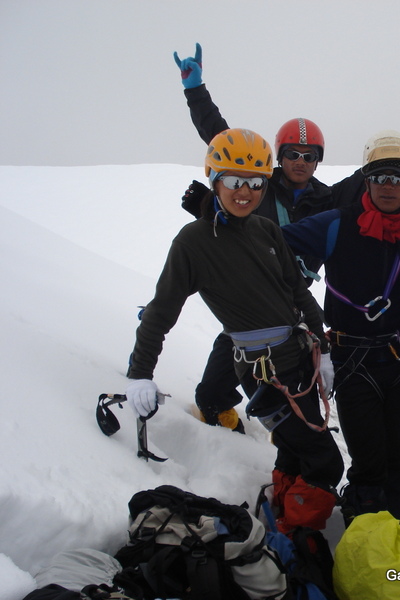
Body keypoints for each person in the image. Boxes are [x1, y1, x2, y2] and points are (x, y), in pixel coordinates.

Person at [172, 43, 400, 433]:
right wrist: (195, 90)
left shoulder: (326, 199)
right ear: (279, 157)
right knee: (235, 343)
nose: (301, 161)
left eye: (310, 155)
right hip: (250, 284)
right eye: (293, 154)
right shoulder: (258, 186)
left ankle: (292, 422)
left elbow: (374, 176)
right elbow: (221, 139)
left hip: (294, 296)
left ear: (318, 160)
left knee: (295, 358)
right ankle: (213, 404)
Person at [125, 128, 343, 535]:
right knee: (327, 461)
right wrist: (140, 373)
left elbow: (298, 291)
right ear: (215, 180)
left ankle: (284, 522)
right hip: (262, 371)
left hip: (298, 358)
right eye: (234, 181)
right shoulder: (193, 242)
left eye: (256, 182)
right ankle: (299, 536)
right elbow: (161, 312)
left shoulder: (264, 229)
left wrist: (324, 347)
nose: (246, 192)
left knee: (295, 451)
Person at [280, 130, 400, 525]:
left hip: (397, 358)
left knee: (395, 452)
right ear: (367, 180)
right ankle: (364, 538)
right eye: (380, 176)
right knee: (367, 458)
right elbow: (273, 243)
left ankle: (390, 531)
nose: (389, 186)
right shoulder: (336, 225)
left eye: (399, 178)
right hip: (352, 359)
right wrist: (217, 209)